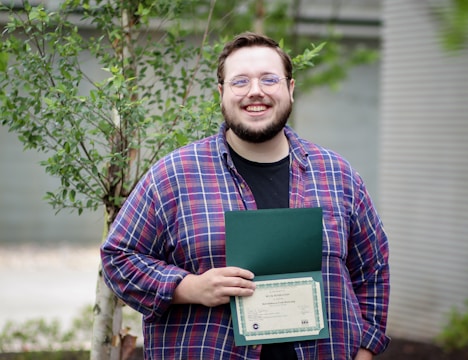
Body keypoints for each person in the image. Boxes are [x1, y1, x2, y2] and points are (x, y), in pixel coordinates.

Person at [101, 31, 390, 360]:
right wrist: (189, 287)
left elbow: (373, 269)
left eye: (269, 79)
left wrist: (366, 351)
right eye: (240, 82)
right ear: (221, 93)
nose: (256, 92)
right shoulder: (174, 176)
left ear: (290, 89)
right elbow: (118, 258)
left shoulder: (338, 176)